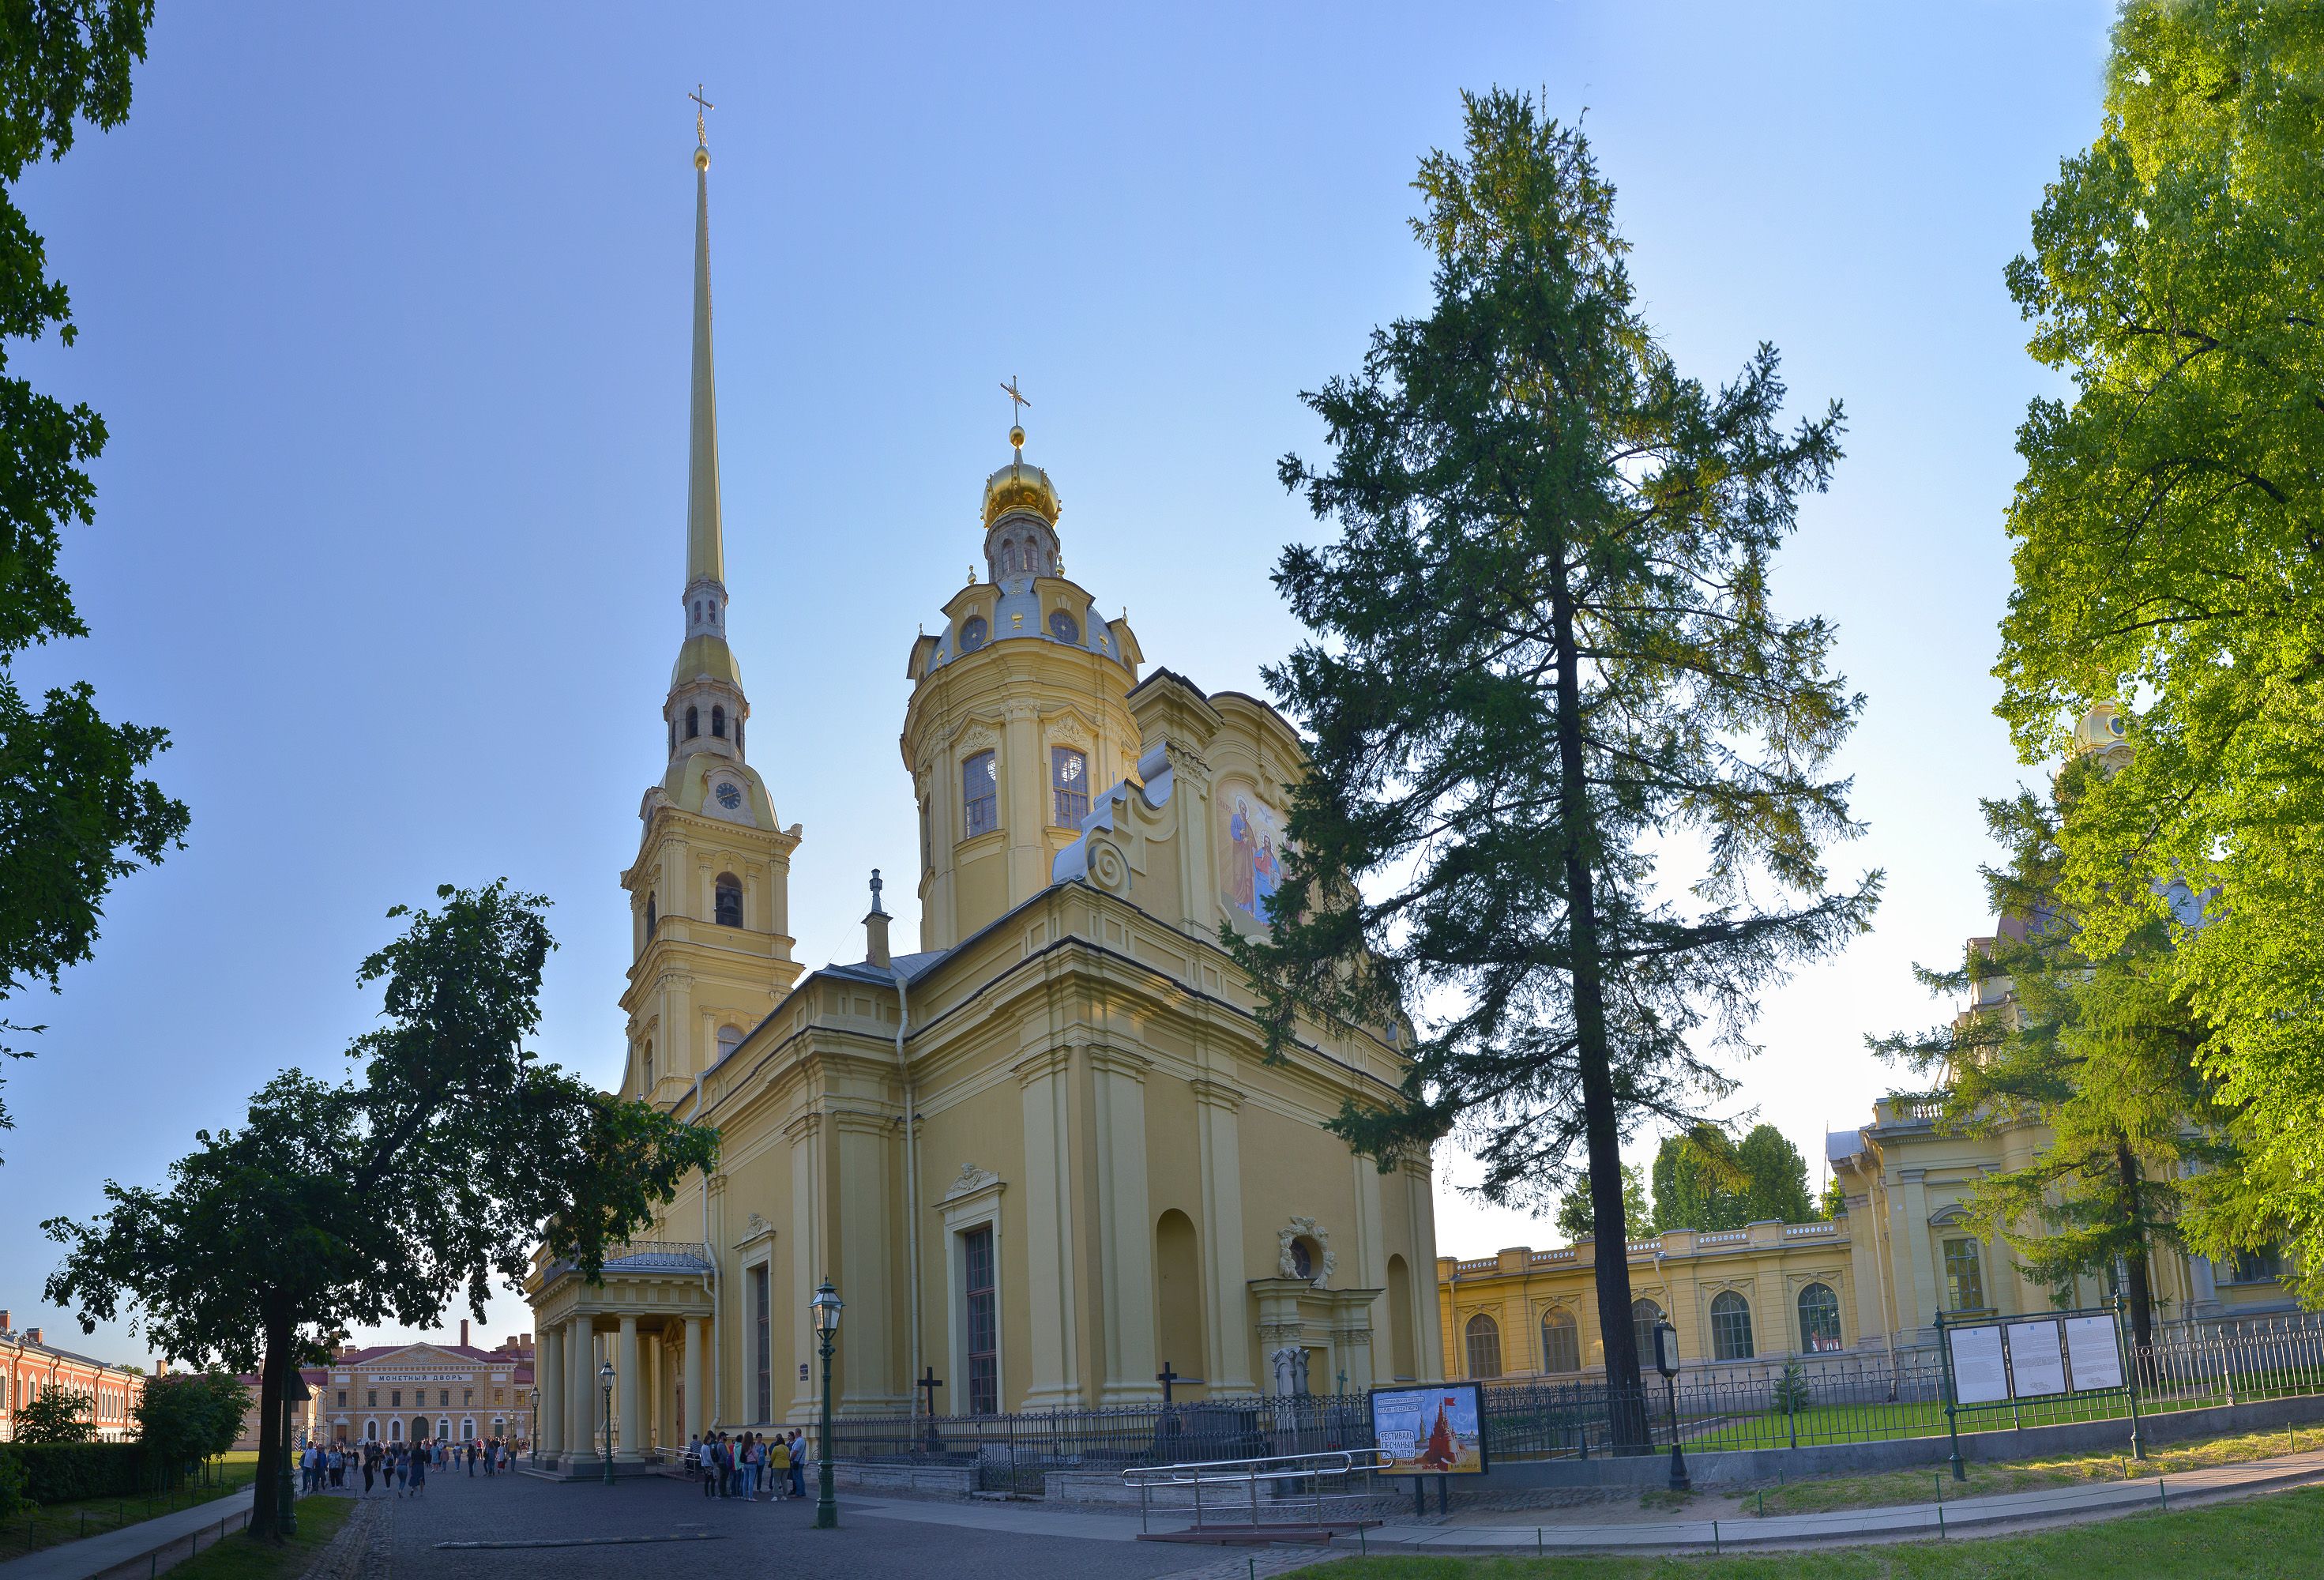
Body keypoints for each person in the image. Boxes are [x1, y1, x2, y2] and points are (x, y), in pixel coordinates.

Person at [767, 1431, 790, 1499]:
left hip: (777, 1466)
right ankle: (785, 1496)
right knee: (784, 1481)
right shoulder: (787, 1448)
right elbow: (788, 1456)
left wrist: (772, 1463)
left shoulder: (776, 1448)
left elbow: (772, 1457)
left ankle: (775, 1496)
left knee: (776, 1481)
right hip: (786, 1466)